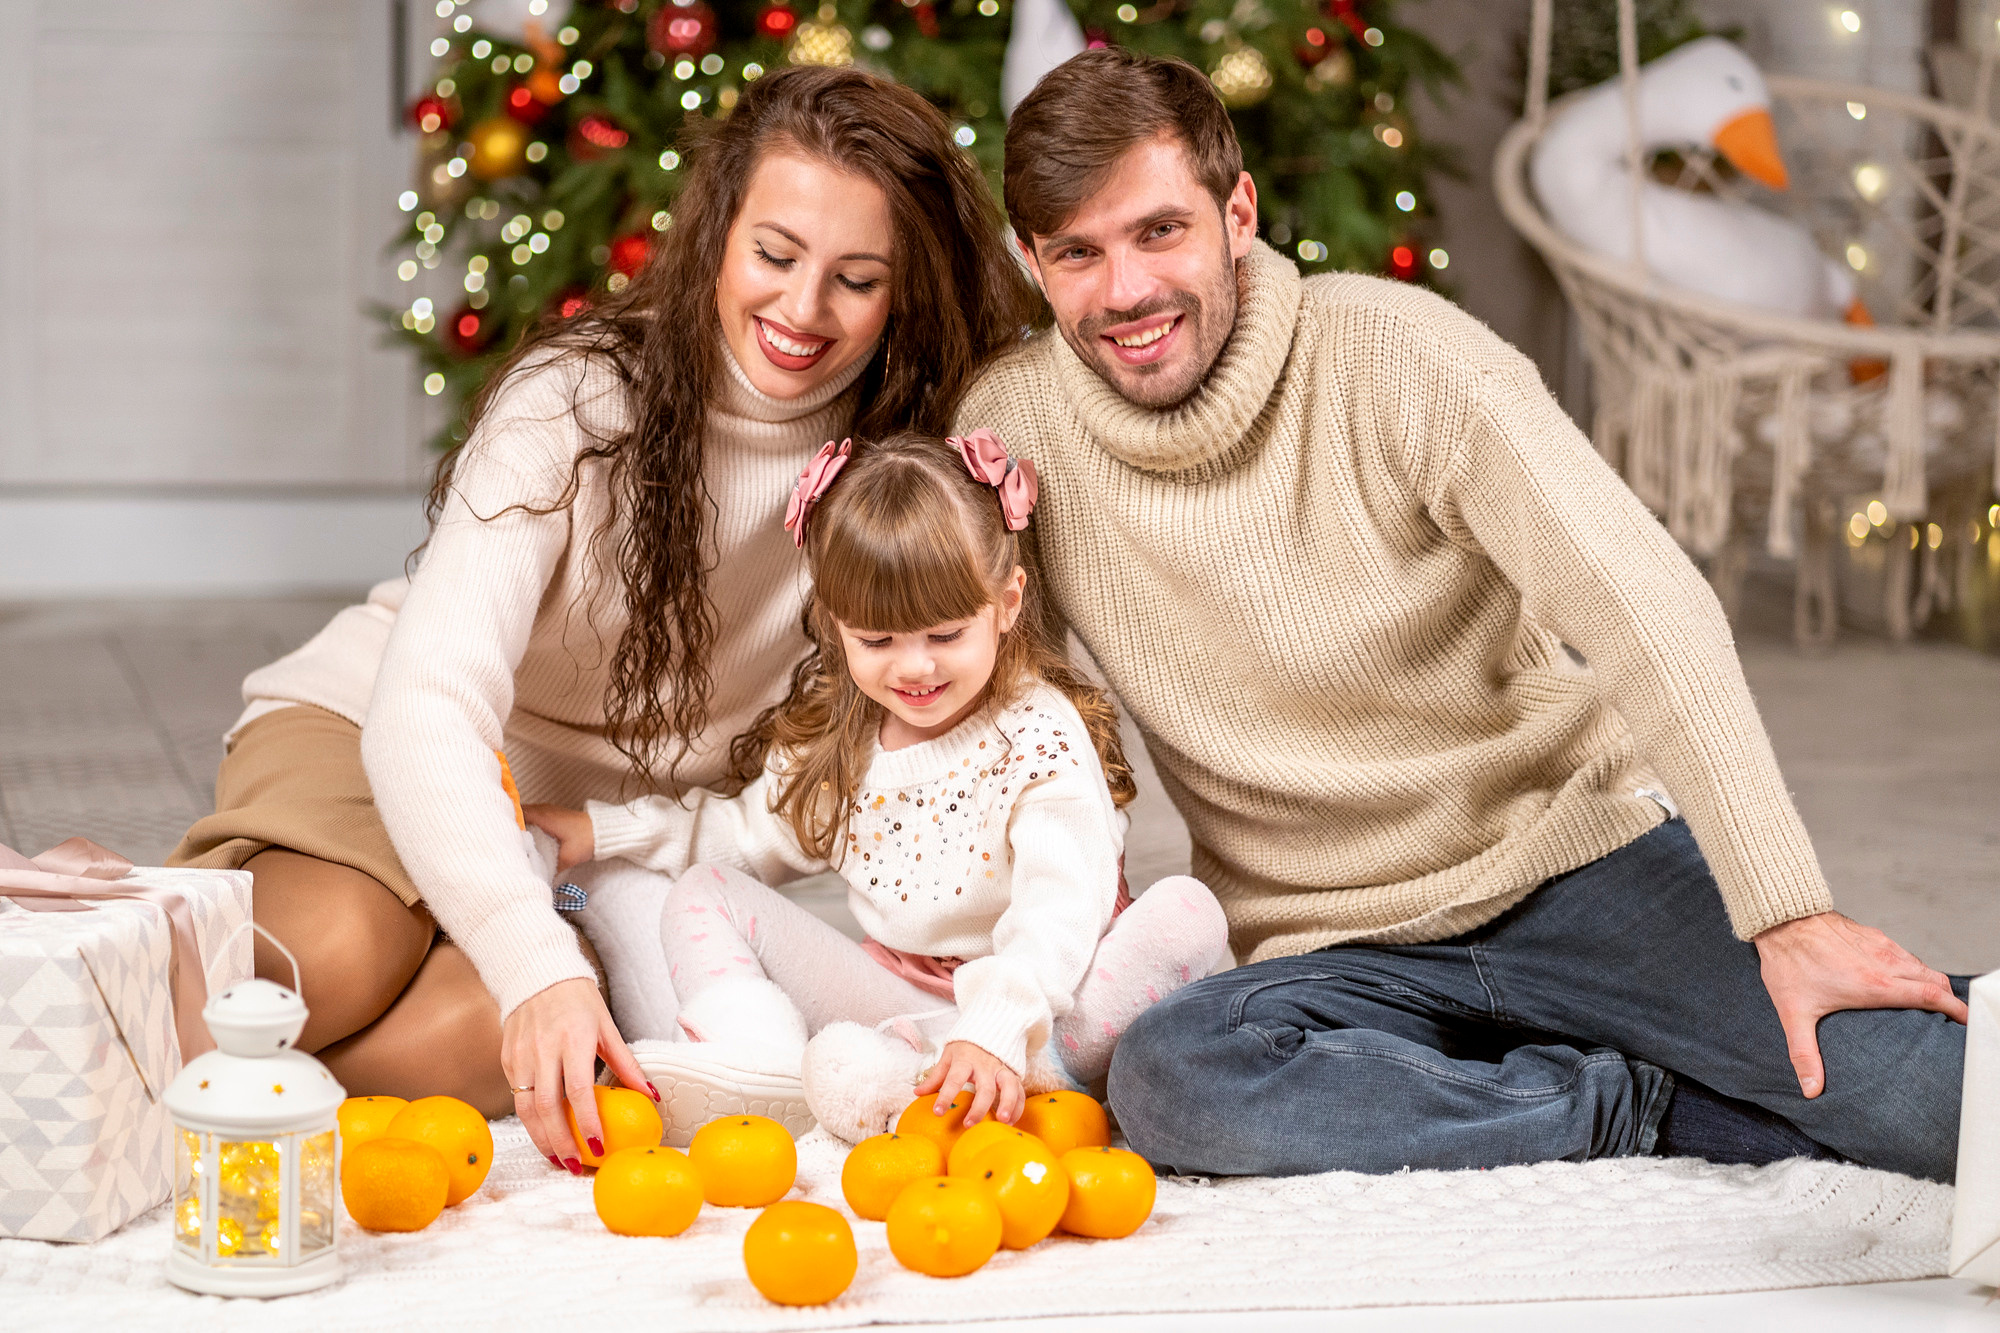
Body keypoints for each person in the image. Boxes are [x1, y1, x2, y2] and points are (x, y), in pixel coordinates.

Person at [955, 48, 1970, 1182]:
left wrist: (1787, 915)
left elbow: (1647, 605)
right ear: (1031, 265)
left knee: (1930, 1105)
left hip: (1570, 867)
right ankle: (1628, 1101)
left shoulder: (1400, 355)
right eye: (1077, 254)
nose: (1125, 290)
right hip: (1332, 951)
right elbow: (977, 709)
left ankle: (1829, 1028)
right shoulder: (1011, 431)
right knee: (1173, 1081)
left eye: (1157, 232)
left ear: (1235, 213)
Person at [166, 65, 1039, 1174]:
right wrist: (536, 961)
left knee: (522, 1043)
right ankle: (97, 961)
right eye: (773, 256)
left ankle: (223, 1056)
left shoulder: (903, 470)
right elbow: (427, 708)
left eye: (855, 279)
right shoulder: (577, 402)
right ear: (719, 232)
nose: (802, 310)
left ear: (902, 290)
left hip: (587, 847)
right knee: (343, 949)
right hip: (380, 735)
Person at [524, 431, 1230, 1144]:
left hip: (1047, 996)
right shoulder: (845, 739)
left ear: (1007, 603)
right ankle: (765, 1068)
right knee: (705, 890)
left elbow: (1059, 907)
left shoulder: (1037, 737)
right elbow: (742, 834)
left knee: (1186, 913)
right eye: (878, 640)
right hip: (909, 1001)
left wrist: (995, 1026)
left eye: (946, 634)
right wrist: (603, 833)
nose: (914, 667)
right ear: (838, 626)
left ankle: (1036, 1074)